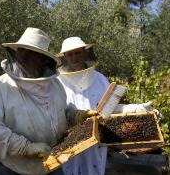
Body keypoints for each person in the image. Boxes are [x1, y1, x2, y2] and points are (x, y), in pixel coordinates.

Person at [0, 27, 68, 175]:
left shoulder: (55, 85)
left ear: (43, 59)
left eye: (32, 52)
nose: (25, 56)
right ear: (15, 52)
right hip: (13, 169)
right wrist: (25, 147)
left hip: (53, 164)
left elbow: (61, 109)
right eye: (22, 50)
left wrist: (73, 114)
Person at [57, 37, 157, 175]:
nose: (74, 57)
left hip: (96, 143)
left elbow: (110, 108)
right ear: (64, 57)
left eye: (77, 53)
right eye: (70, 54)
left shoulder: (99, 79)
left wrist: (134, 109)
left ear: (85, 52)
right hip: (69, 144)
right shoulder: (58, 82)